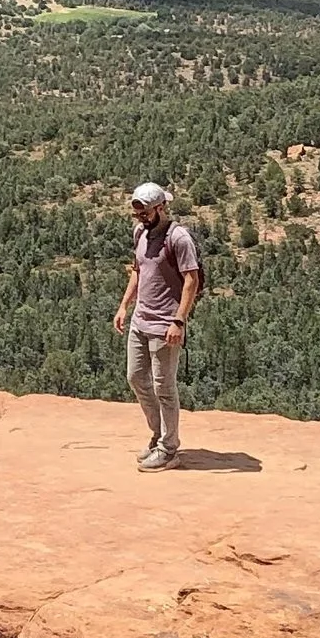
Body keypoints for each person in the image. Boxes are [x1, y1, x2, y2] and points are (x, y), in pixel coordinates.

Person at [113, 180, 201, 469]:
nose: (140, 219)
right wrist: (124, 305)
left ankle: (169, 449)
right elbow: (138, 271)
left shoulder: (179, 238)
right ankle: (157, 436)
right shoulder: (140, 233)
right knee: (135, 378)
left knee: (164, 386)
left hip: (166, 325)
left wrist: (179, 320)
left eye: (145, 213)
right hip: (141, 319)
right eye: (137, 214)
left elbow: (192, 280)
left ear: (161, 207)